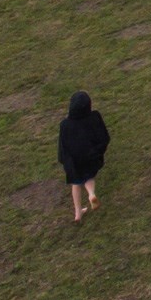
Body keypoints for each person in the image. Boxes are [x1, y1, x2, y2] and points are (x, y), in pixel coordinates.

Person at [57, 92, 110, 224]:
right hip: (91, 157)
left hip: (74, 161)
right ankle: (91, 194)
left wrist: (64, 161)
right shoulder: (94, 117)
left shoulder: (65, 125)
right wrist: (98, 151)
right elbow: (104, 136)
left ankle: (78, 213)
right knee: (89, 177)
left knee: (76, 184)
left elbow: (63, 146)